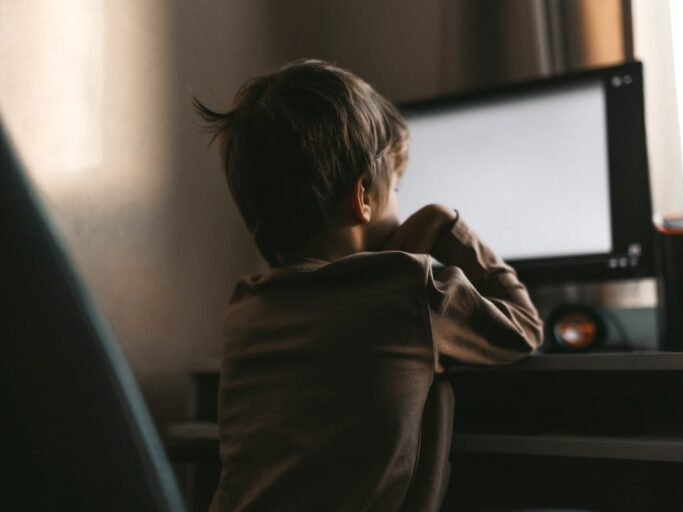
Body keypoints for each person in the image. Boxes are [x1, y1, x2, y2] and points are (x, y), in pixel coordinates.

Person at [195, 59, 543, 512]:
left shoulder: (247, 306)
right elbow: (525, 329)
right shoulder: (408, 288)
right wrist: (449, 226)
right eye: (398, 185)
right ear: (363, 197)